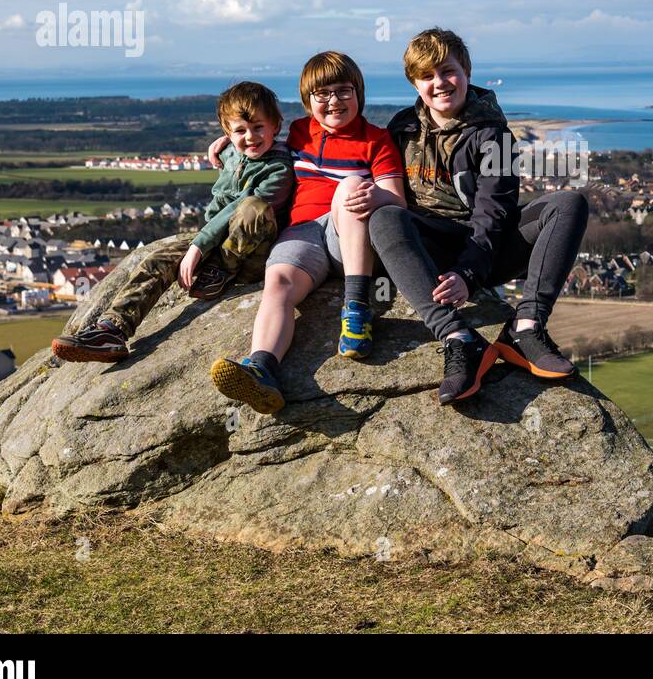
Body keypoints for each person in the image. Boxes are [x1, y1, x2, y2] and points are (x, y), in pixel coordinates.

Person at [368, 28, 589, 405]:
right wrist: (238, 151)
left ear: (466, 71)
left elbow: (493, 211)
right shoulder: (401, 127)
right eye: (427, 76)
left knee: (568, 205)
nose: (439, 83)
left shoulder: (493, 135)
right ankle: (459, 338)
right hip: (428, 246)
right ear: (414, 82)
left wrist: (468, 275)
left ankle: (525, 327)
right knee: (384, 217)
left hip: (485, 249)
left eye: (448, 71)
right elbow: (350, 153)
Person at [207, 51, 405, 415]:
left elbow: (397, 201)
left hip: (351, 237)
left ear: (359, 93)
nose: (334, 101)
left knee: (349, 187)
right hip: (304, 233)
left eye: (344, 91)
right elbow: (259, 143)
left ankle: (357, 308)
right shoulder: (300, 131)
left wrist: (368, 191)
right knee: (278, 282)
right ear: (307, 101)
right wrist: (229, 148)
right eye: (322, 93)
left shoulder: (376, 140)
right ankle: (262, 367)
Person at [51, 81, 293, 364]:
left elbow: (236, 210)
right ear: (227, 132)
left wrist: (199, 247)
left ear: (275, 125)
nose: (250, 137)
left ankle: (220, 273)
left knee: (253, 207)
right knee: (158, 259)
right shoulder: (231, 152)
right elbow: (218, 206)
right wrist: (225, 146)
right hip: (217, 240)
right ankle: (113, 330)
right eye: (240, 130)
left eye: (258, 128)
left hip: (252, 255)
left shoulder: (279, 168)